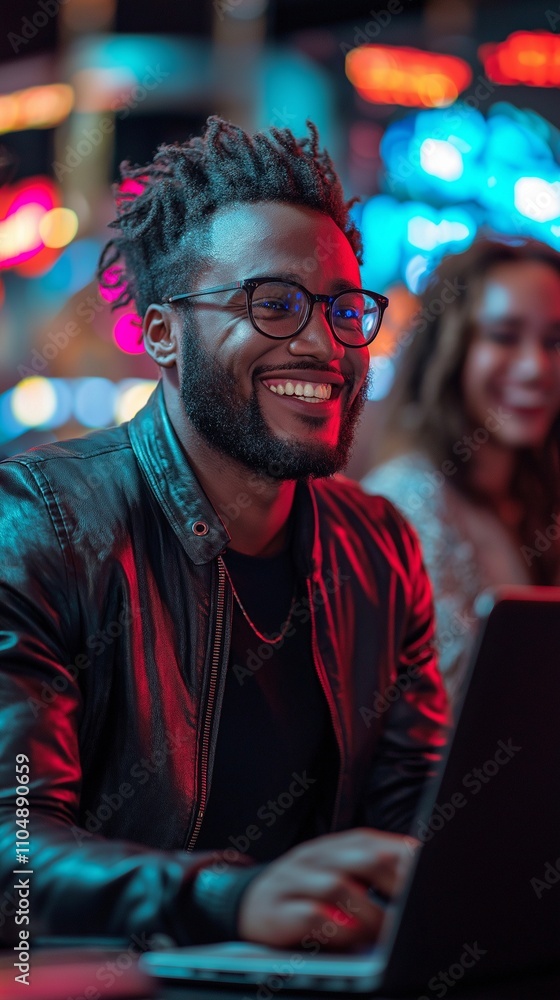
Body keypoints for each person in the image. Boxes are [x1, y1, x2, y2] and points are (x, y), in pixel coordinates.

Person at [0, 117, 447, 952]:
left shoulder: (379, 545)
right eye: (273, 304)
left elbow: (424, 820)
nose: (322, 343)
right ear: (162, 332)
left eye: (343, 308)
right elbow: (13, 857)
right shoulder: (39, 523)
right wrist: (230, 901)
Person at [362, 238, 560, 710]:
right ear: (450, 353)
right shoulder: (402, 508)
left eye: (555, 341)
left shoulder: (535, 496)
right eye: (505, 336)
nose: (536, 367)